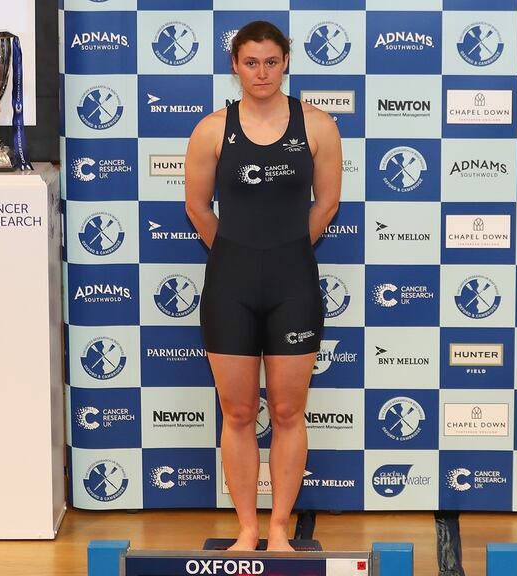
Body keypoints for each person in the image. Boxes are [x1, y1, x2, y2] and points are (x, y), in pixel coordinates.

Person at [185, 21, 342, 552]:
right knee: (236, 412)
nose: (261, 72)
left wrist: (285, 249)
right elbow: (197, 208)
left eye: (271, 61)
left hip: (293, 283)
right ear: (235, 66)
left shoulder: (318, 125)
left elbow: (327, 205)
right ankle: (247, 527)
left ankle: (279, 529)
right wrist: (235, 251)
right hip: (229, 283)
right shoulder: (211, 130)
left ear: (286, 62)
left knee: (287, 412)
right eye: (251, 62)